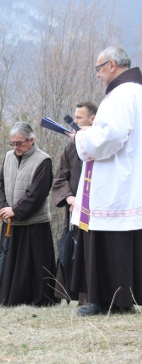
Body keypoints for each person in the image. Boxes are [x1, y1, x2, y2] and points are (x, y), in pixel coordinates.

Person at [69, 46, 142, 316]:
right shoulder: (136, 91)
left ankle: (110, 301)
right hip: (129, 178)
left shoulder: (121, 95)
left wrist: (81, 137)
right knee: (121, 243)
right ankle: (120, 300)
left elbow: (109, 138)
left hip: (114, 182)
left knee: (107, 241)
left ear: (112, 65)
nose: (98, 75)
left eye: (98, 69)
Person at [0, 122, 59, 307]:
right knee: (10, 264)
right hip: (10, 222)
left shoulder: (43, 160)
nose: (16, 147)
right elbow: (0, 184)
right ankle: (10, 299)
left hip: (35, 223)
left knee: (35, 265)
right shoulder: (8, 157)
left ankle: (40, 300)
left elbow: (38, 193)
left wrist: (15, 210)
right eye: (13, 143)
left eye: (19, 143)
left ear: (31, 140)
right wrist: (4, 208)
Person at [52, 101, 97, 304]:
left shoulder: (101, 145)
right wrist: (69, 198)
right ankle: (78, 298)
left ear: (92, 119)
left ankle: (93, 298)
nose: (74, 121)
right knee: (74, 253)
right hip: (73, 212)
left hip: (96, 213)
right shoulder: (71, 147)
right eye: (74, 117)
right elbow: (60, 178)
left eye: (79, 118)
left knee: (93, 255)